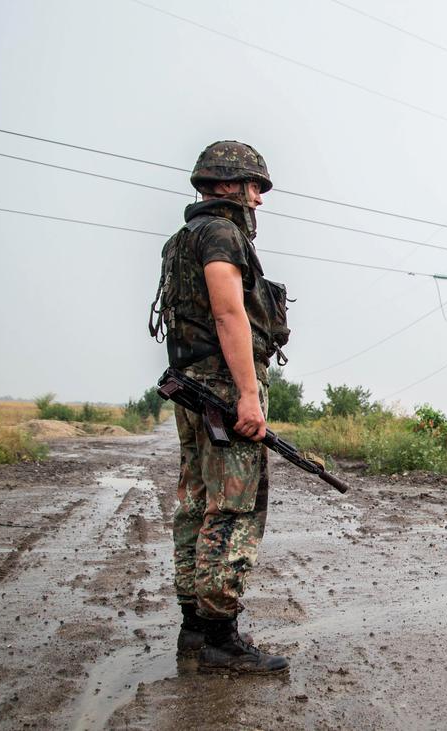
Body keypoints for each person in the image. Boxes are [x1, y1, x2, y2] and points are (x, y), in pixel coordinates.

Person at [148, 140, 291, 674]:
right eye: (254, 186)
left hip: (190, 386)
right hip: (222, 387)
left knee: (196, 500)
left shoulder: (180, 239)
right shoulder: (221, 234)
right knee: (232, 508)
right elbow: (229, 314)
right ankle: (219, 639)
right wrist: (248, 395)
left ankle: (194, 627)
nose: (259, 198)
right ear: (228, 184)